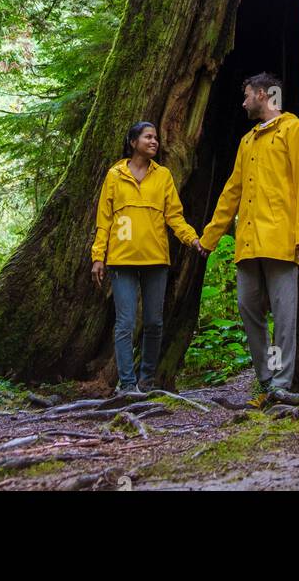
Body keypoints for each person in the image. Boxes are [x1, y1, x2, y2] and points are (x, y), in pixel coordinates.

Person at [199, 72, 299, 406]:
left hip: (281, 239)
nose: (244, 102)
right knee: (248, 307)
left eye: (248, 95)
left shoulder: (295, 130)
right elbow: (231, 192)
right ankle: (265, 379)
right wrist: (209, 238)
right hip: (248, 243)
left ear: (263, 94)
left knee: (283, 315)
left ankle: (280, 383)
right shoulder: (247, 141)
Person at [91, 121, 203, 393]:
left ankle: (147, 380)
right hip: (121, 260)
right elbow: (104, 220)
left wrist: (191, 238)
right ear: (133, 142)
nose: (154, 142)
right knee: (125, 322)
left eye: (156, 138)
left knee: (153, 321)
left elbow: (174, 215)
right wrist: (98, 256)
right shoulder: (115, 175)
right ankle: (127, 385)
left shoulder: (162, 175)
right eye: (148, 137)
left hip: (155, 260)